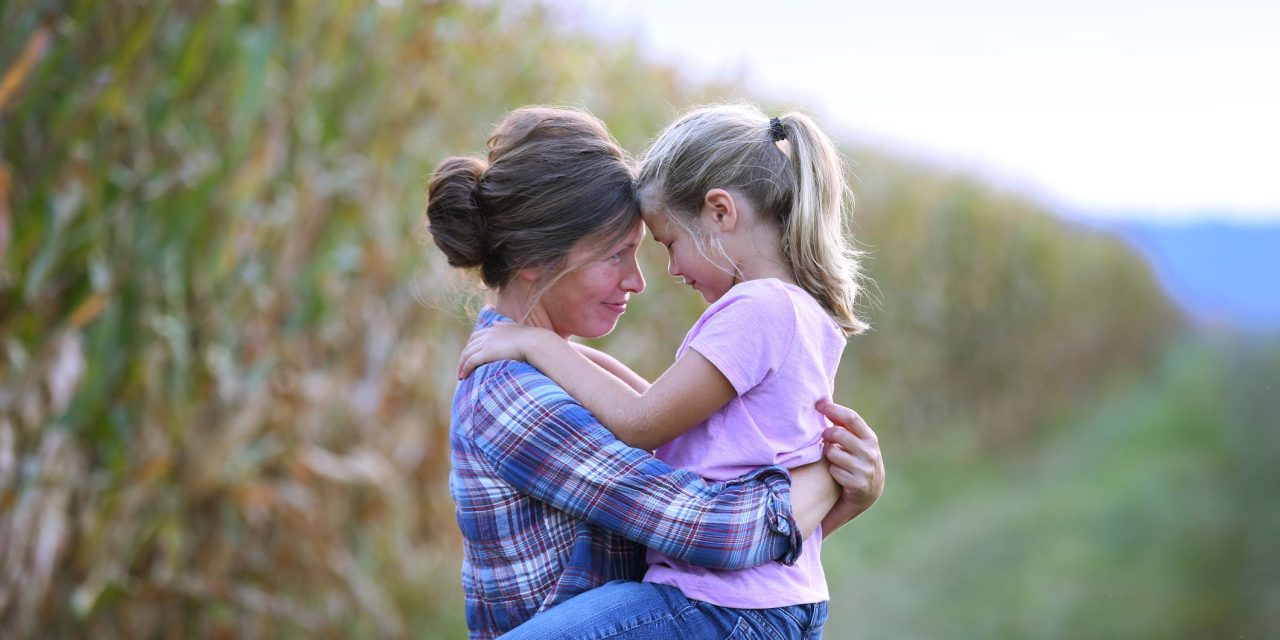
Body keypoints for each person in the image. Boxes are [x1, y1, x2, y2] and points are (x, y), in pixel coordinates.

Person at [427, 106, 884, 640]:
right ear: (534, 258)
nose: (641, 280)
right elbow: (716, 533)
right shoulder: (512, 394)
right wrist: (829, 479)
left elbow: (675, 449)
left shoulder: (544, 364)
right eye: (616, 255)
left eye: (649, 249)